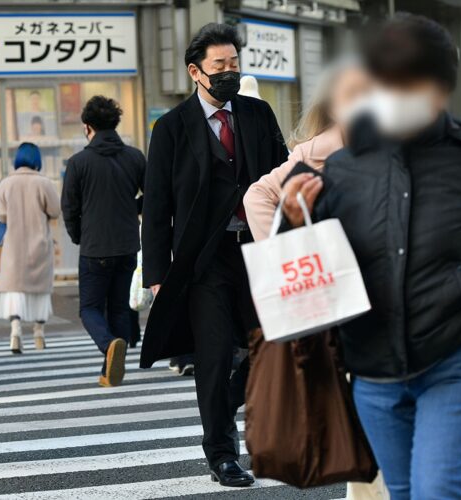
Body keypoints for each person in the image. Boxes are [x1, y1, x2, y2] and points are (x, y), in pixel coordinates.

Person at [280, 14, 461, 499]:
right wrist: (299, 218)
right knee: (399, 492)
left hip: (455, 356)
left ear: (440, 90)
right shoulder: (344, 165)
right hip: (373, 366)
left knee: (438, 489)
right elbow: (325, 258)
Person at [142, 23, 289, 487]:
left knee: (273, 344)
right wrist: (157, 273)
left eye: (234, 64)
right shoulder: (170, 128)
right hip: (204, 261)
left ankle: (225, 403)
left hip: (257, 252)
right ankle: (222, 454)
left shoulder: (258, 114)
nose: (228, 73)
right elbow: (157, 205)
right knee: (212, 354)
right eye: (219, 66)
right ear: (195, 71)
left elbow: (285, 175)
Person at [61, 96, 145, 387]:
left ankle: (109, 346)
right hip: (127, 244)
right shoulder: (135, 157)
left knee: (90, 308)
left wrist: (78, 236)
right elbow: (153, 197)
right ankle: (111, 371)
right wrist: (132, 208)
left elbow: (69, 208)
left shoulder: (78, 162)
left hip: (95, 246)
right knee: (119, 307)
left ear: (88, 127)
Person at [244, 60, 369, 240]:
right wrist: (285, 249)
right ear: (332, 108)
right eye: (352, 94)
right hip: (335, 261)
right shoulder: (312, 154)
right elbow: (257, 196)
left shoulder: (399, 145)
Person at [0, 143, 60, 354]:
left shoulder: (6, 183)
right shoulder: (44, 183)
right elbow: (55, 211)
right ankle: (39, 334)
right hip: (39, 243)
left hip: (14, 245)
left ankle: (15, 333)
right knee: (40, 290)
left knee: (15, 290)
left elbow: (1, 216)